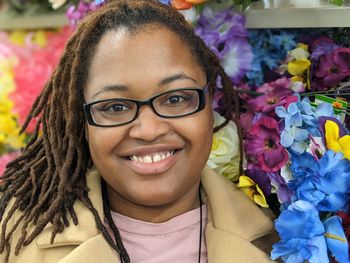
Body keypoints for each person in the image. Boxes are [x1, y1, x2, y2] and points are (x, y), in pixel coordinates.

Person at [0, 1, 277, 262]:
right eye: (116, 106)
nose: (148, 130)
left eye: (175, 99)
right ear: (81, 122)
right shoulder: (13, 242)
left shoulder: (282, 236)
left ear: (208, 104)